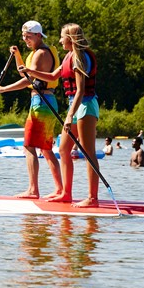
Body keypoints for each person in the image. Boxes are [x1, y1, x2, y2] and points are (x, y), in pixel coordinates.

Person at [23, 23, 100, 207]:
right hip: (74, 106)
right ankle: (66, 193)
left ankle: (93, 198)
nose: (59, 40)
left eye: (62, 37)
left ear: (70, 39)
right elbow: (51, 77)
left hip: (86, 106)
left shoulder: (80, 58)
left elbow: (81, 90)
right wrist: (29, 72)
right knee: (64, 149)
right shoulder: (68, 56)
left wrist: (69, 115)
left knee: (88, 152)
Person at [0, 20, 64, 200]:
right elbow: (24, 73)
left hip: (41, 103)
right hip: (46, 101)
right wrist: (17, 55)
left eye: (29, 37)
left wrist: (3, 89)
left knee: (29, 146)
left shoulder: (40, 54)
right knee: (45, 149)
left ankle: (33, 190)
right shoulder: (37, 52)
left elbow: (28, 81)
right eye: (24, 37)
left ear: (39, 36)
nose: (25, 40)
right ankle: (59, 189)